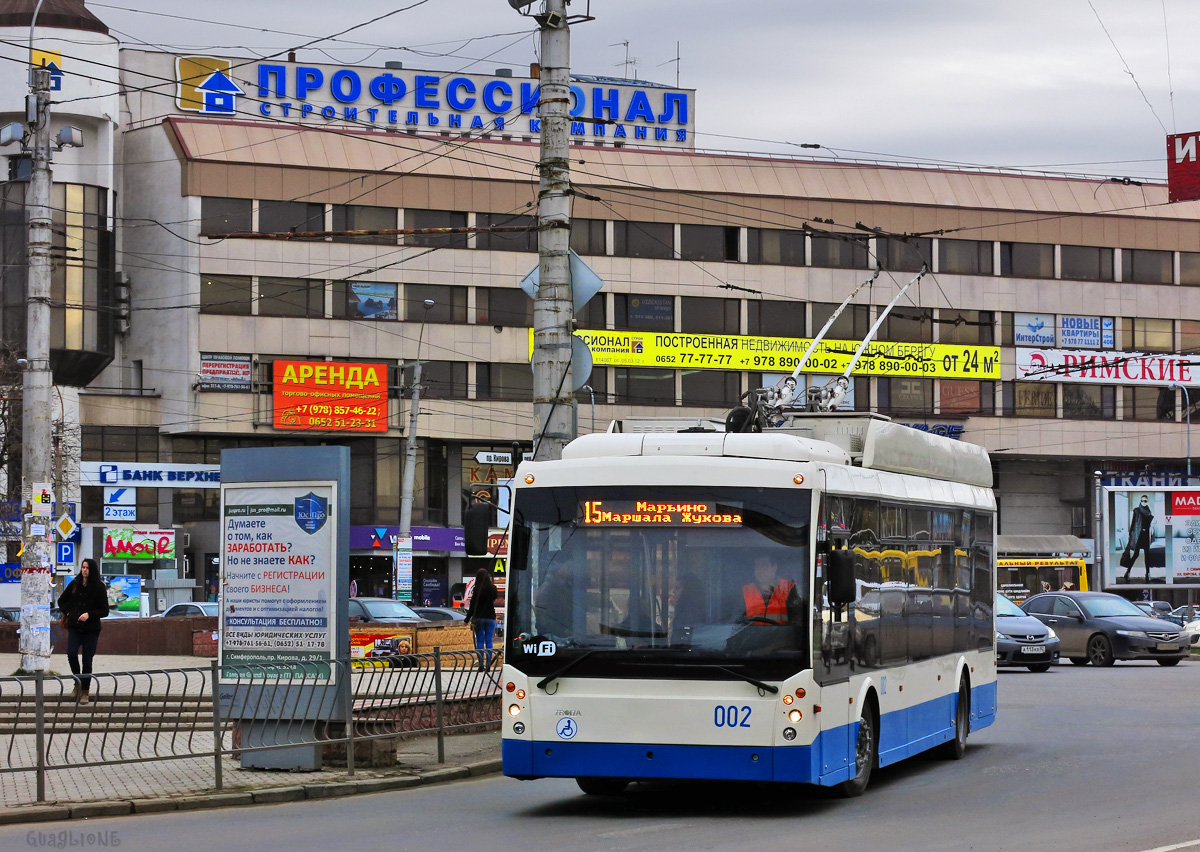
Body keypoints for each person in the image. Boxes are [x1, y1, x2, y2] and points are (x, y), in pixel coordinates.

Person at [57, 558, 110, 704]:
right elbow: (61, 601)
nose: (84, 570)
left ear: (92, 570)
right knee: (71, 654)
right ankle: (77, 683)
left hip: (91, 630)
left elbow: (105, 610)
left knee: (87, 660)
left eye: (87, 567)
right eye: (82, 567)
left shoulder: (99, 587)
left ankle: (85, 691)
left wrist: (89, 614)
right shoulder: (75, 584)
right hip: (75, 627)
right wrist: (68, 613)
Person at [741, 552, 803, 624]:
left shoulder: (789, 588)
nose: (760, 570)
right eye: (757, 566)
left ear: (774, 568)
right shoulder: (745, 592)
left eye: (764, 565)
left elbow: (797, 621)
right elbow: (738, 622)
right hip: (750, 635)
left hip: (782, 634)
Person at [464, 567, 497, 671]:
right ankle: (488, 665)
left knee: (480, 641)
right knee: (489, 641)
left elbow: (472, 605)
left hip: (479, 617)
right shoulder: (493, 589)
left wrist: (467, 619)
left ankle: (481, 665)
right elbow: (494, 598)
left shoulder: (476, 589)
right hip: (490, 617)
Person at [1122, 494, 1154, 583]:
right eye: (1142, 501)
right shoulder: (1136, 511)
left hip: (1146, 536)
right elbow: (1133, 524)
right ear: (1140, 501)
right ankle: (1128, 572)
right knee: (1136, 555)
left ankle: (1148, 573)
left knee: (1147, 555)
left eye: (1145, 501)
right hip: (1138, 536)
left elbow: (1149, 525)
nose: (1143, 502)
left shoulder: (1149, 512)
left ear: (1148, 502)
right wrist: (1131, 535)